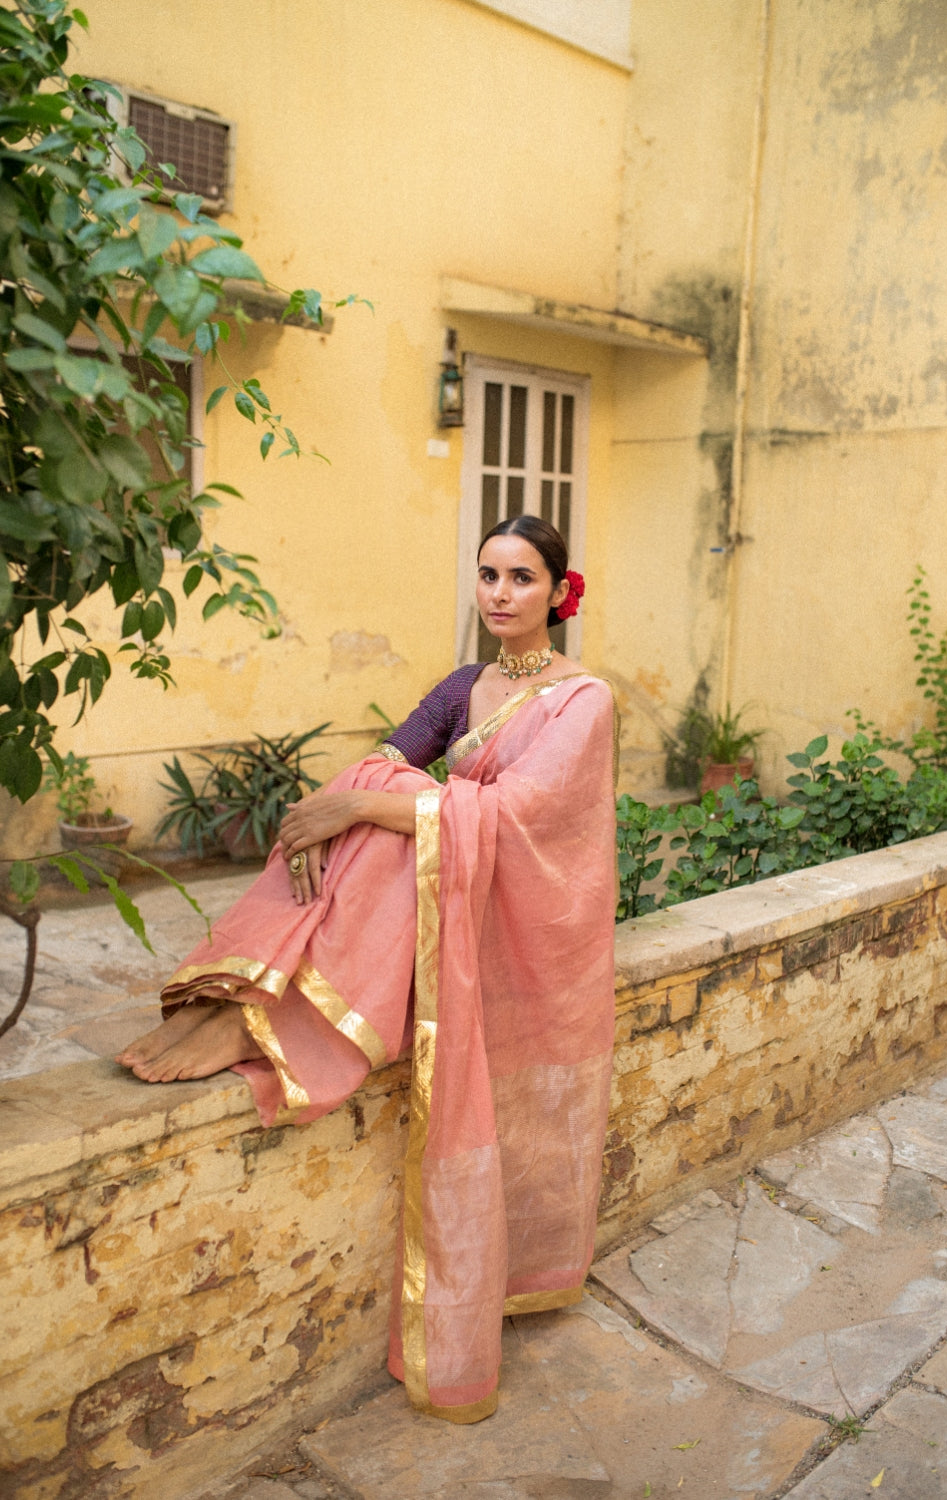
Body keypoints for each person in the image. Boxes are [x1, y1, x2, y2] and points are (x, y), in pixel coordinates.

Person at [116, 516, 618, 1423]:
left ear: (558, 591)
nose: (501, 593)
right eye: (488, 575)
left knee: (391, 801)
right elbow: (394, 757)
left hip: (524, 927)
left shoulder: (583, 700)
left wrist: (353, 804)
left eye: (521, 578)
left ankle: (267, 1003)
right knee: (384, 787)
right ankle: (265, 991)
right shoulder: (465, 686)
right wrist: (350, 801)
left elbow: (524, 815)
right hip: (451, 893)